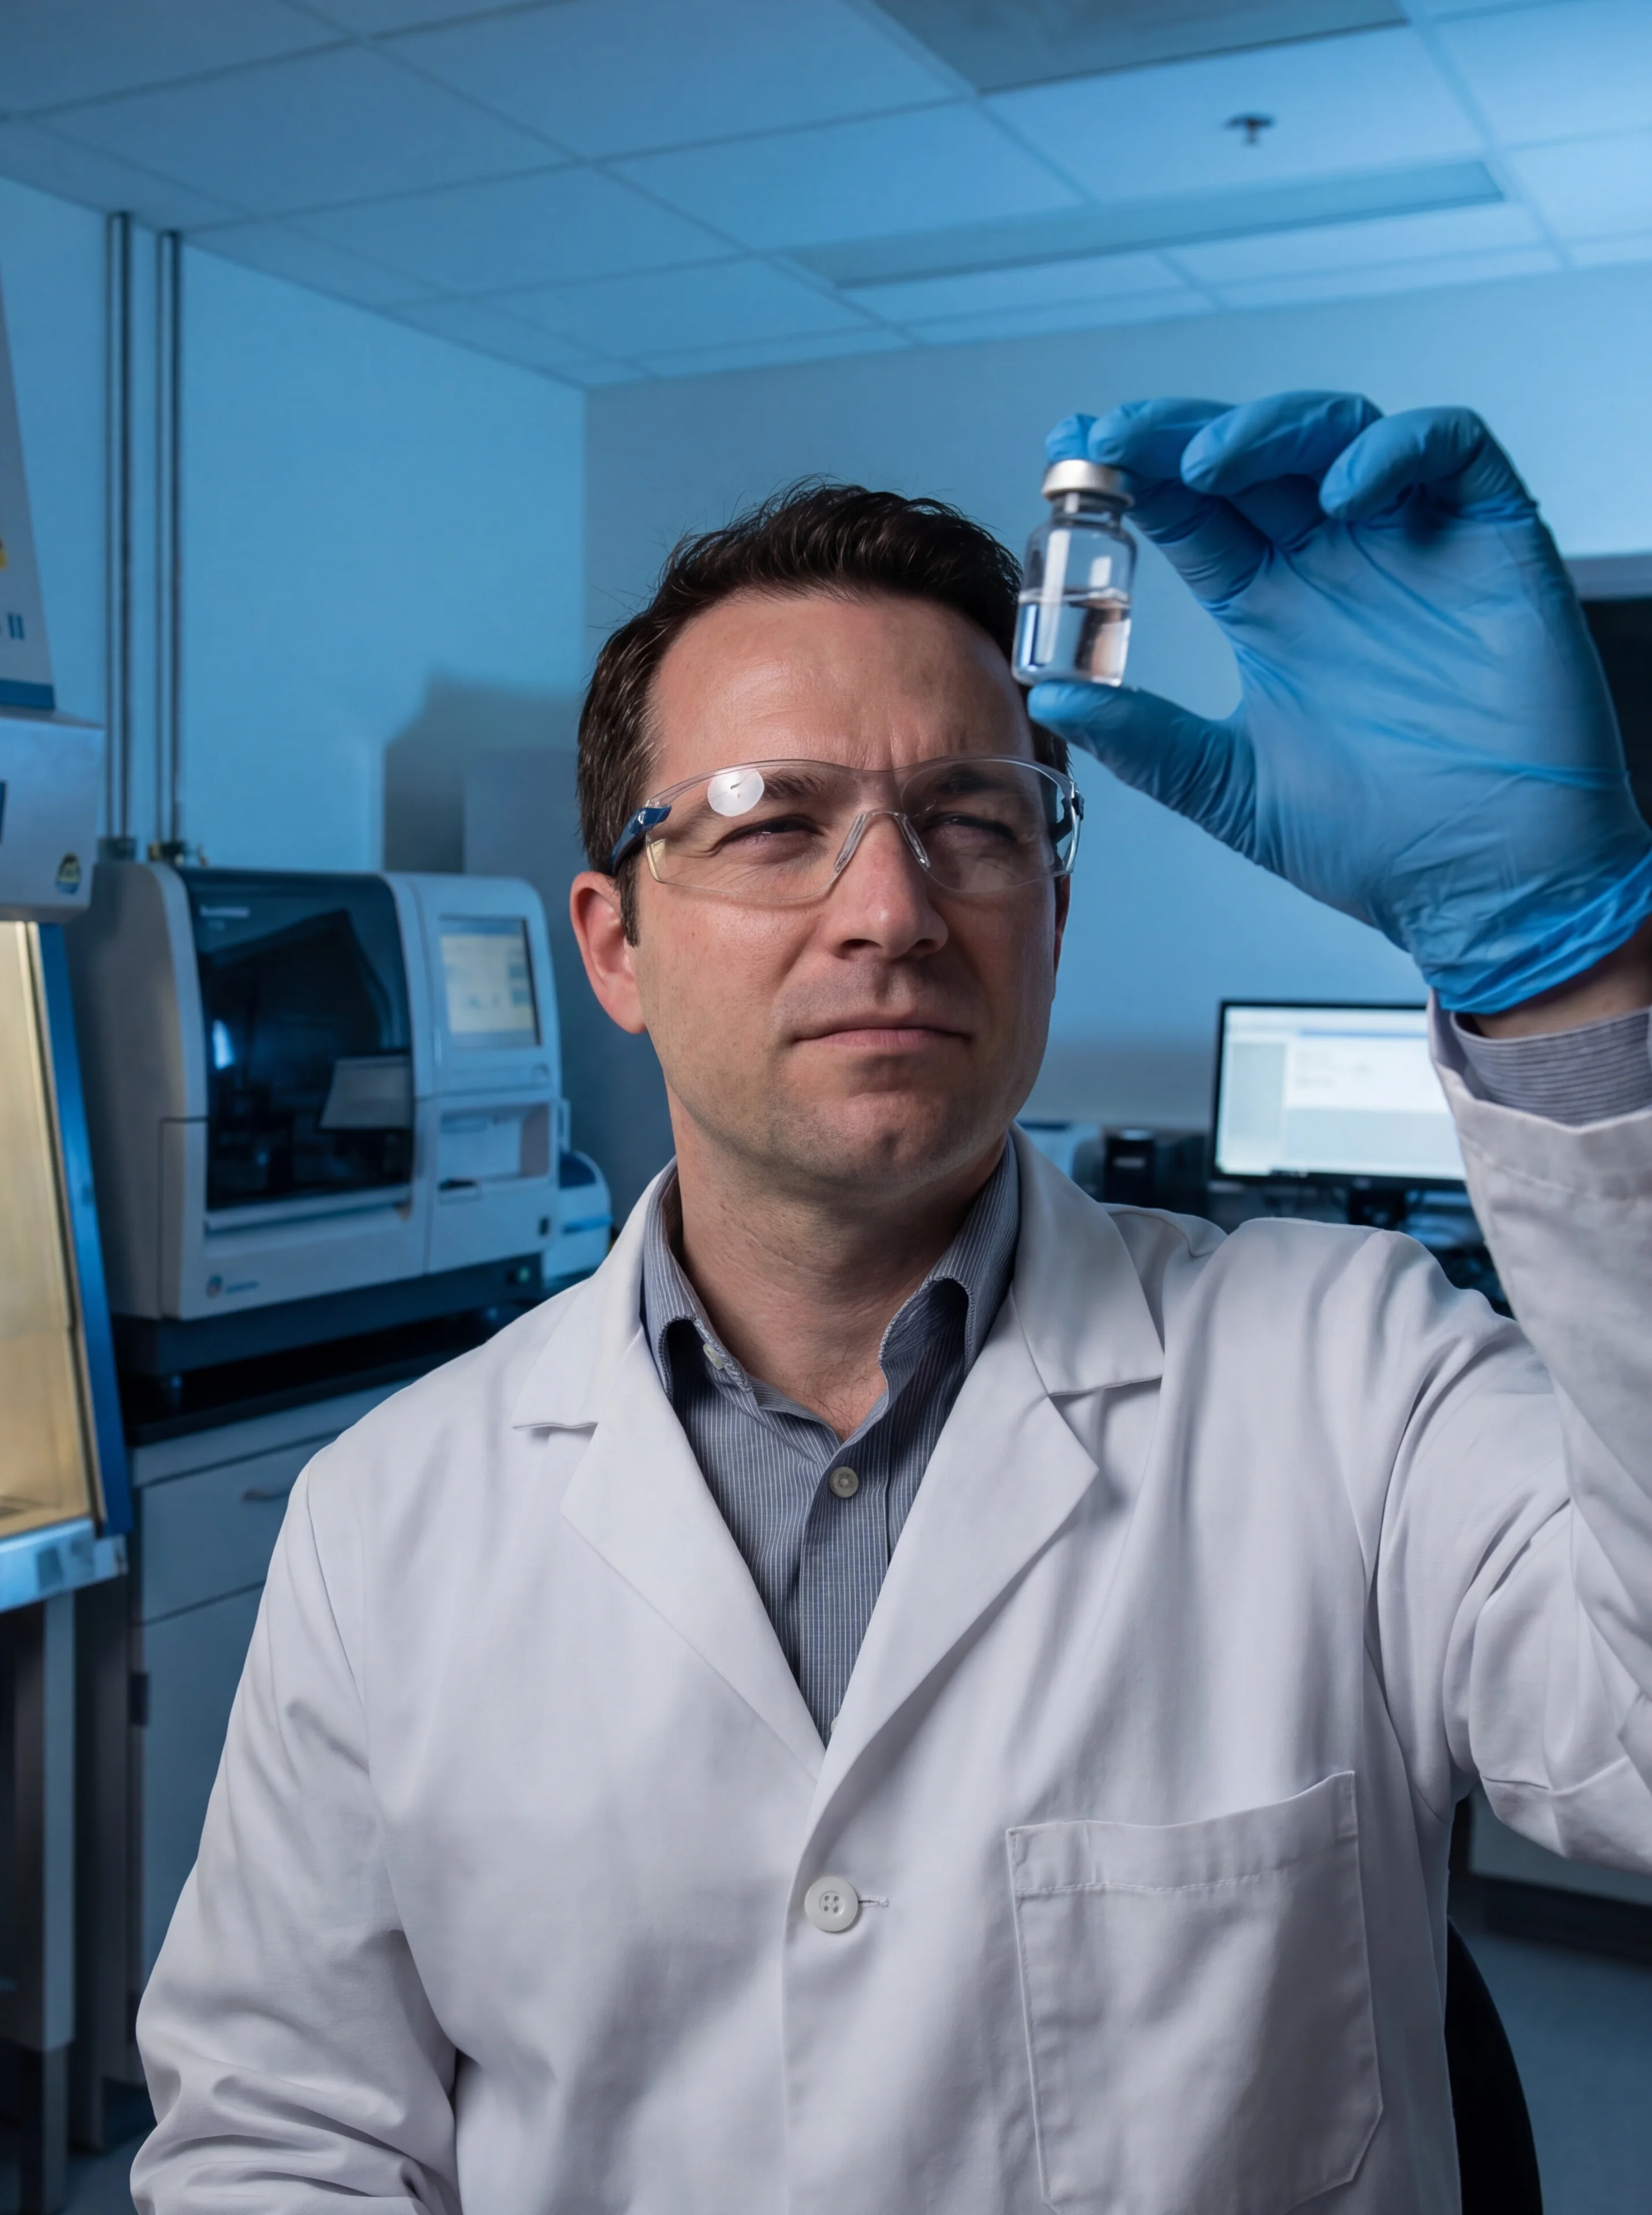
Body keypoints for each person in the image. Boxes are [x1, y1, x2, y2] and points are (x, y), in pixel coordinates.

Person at [129, 392, 1652, 2213]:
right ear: (615, 944)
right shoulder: (387, 1518)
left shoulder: (1355, 1381)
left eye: (971, 820)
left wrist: (1574, 990)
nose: (893, 908)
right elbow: (279, 2138)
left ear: (1054, 911)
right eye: (776, 823)